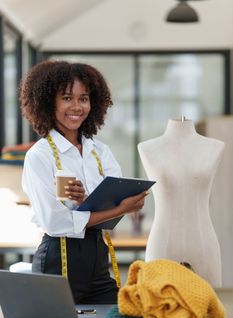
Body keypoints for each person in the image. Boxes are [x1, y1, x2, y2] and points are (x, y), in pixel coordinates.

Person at [20, 60, 147, 304]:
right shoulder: (40, 156)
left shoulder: (100, 152)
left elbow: (111, 214)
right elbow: (56, 222)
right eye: (67, 98)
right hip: (58, 260)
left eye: (84, 98)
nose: (77, 106)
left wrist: (90, 202)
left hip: (97, 259)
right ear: (49, 102)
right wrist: (121, 208)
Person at [138, 118, 225, 287]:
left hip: (203, 243)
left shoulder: (214, 146)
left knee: (211, 309)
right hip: (163, 242)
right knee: (157, 309)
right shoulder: (147, 147)